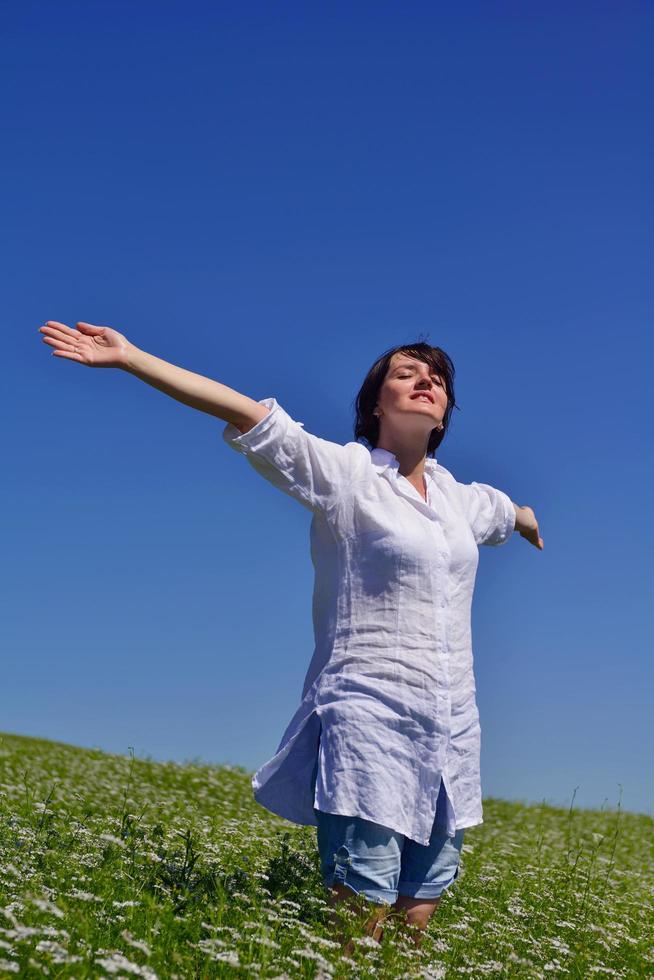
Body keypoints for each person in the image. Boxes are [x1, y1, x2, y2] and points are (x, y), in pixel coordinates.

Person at [37, 321, 543, 950]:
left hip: (452, 722)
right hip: (370, 707)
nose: (426, 382)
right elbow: (246, 412)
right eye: (407, 373)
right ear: (375, 403)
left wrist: (526, 519)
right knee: (364, 898)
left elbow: (504, 511)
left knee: (423, 904)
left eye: (437, 378)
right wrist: (132, 358)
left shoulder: (460, 499)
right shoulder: (347, 475)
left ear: (444, 414)